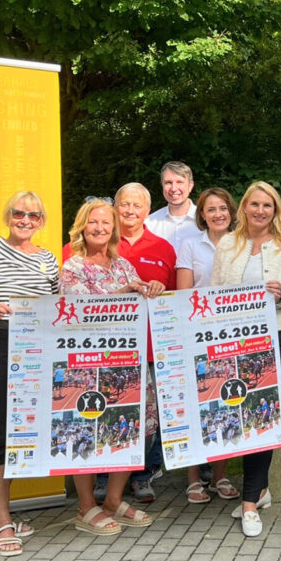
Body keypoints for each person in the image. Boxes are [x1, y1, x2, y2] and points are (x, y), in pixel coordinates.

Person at [0, 191, 59, 557]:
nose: (26, 220)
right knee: (0, 434)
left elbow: (56, 305)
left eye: (34, 216)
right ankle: (3, 523)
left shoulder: (49, 260)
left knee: (24, 431)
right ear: (7, 216)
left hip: (38, 348)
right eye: (19, 214)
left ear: (42, 221)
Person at [212, 181, 281, 537]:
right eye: (254, 204)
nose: (260, 211)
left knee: (260, 415)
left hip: (278, 337)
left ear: (276, 209)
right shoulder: (227, 244)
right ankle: (261, 490)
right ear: (244, 208)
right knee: (239, 413)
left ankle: (250, 502)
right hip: (235, 341)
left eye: (267, 205)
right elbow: (214, 294)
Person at [60, 198, 159, 535]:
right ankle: (86, 507)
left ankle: (113, 500)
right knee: (87, 431)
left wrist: (152, 290)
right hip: (87, 367)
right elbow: (77, 312)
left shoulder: (123, 265)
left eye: (106, 223)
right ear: (81, 228)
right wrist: (122, 292)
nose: (100, 228)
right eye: (93, 223)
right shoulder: (72, 267)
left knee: (129, 427)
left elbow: (137, 302)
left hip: (126, 364)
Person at [175, 186, 240, 504]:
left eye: (223, 208)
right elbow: (183, 294)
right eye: (211, 209)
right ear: (202, 214)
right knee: (194, 406)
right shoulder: (189, 245)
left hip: (230, 336)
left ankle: (219, 475)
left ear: (231, 211)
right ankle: (192, 478)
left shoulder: (244, 244)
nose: (218, 214)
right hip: (196, 335)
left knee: (225, 404)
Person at [114, 183, 177, 503]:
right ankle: (104, 474)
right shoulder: (96, 241)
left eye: (137, 206)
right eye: (125, 204)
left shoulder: (164, 248)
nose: (130, 211)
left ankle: (144, 474)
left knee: (151, 418)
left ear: (147, 210)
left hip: (152, 345)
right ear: (115, 206)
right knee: (111, 412)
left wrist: (159, 287)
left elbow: (177, 296)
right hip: (108, 350)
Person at [145, 161, 196, 248]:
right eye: (168, 182)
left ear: (190, 186)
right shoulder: (150, 223)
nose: (174, 188)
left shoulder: (205, 221)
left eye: (179, 182)